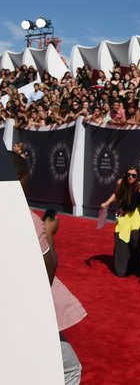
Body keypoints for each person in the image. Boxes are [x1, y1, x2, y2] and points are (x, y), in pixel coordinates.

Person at [10, 150, 85, 384]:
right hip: (25, 314)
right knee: (70, 369)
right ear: (18, 179)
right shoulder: (27, 219)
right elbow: (46, 273)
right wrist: (49, 233)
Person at [100, 166, 140, 277]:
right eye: (128, 174)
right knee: (120, 237)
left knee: (134, 239)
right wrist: (107, 203)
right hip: (122, 212)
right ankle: (121, 269)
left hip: (136, 213)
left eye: (134, 175)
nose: (130, 177)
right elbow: (116, 195)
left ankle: (136, 267)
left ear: (137, 177)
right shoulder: (120, 182)